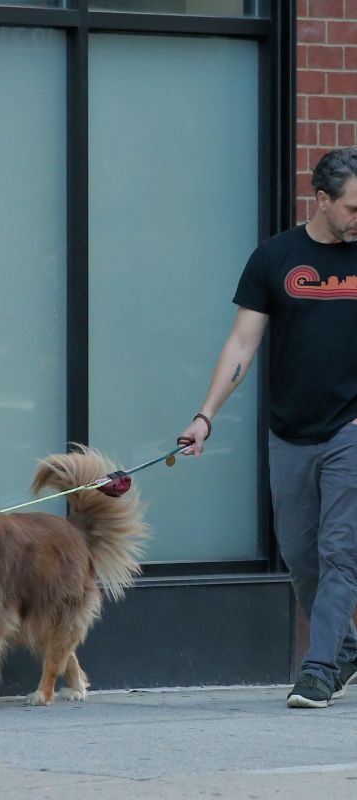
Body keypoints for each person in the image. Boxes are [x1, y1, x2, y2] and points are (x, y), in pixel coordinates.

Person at [178, 146, 357, 709]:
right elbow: (242, 343)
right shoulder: (274, 258)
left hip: (352, 427)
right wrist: (206, 415)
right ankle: (347, 648)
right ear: (321, 199)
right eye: (352, 207)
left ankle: (320, 668)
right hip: (290, 430)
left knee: (338, 551)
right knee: (299, 554)